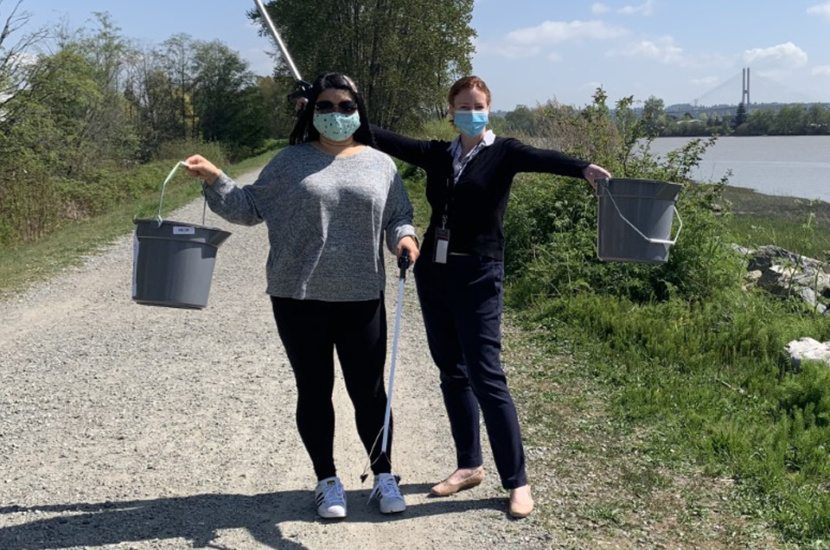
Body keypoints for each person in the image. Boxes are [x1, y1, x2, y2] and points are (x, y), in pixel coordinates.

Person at [370, 75, 611, 519]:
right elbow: (384, 138)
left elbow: (544, 158)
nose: (470, 111)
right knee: (451, 370)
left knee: (486, 373)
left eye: (477, 104)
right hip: (434, 271)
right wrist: (335, 108)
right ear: (451, 111)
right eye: (462, 105)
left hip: (479, 272)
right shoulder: (439, 154)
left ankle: (517, 481)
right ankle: (469, 465)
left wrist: (583, 168)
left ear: (489, 108)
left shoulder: (505, 152)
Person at [183, 72, 420, 520]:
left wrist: (404, 238)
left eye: (345, 107)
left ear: (359, 112)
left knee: (369, 392)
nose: (335, 114)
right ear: (312, 112)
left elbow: (399, 214)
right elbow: (249, 209)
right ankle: (327, 480)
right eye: (326, 106)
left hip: (361, 295)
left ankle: (383, 473)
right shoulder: (289, 163)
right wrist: (215, 177)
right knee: (314, 390)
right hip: (298, 295)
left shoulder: (379, 163)